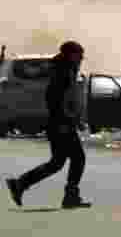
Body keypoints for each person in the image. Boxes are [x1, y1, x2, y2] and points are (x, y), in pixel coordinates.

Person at [6, 41, 91, 209]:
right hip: (61, 122)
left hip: (60, 121)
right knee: (77, 158)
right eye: (79, 54)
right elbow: (54, 98)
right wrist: (64, 120)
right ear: (70, 55)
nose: (81, 58)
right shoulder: (62, 71)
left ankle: (20, 184)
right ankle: (70, 196)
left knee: (57, 162)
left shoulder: (65, 69)